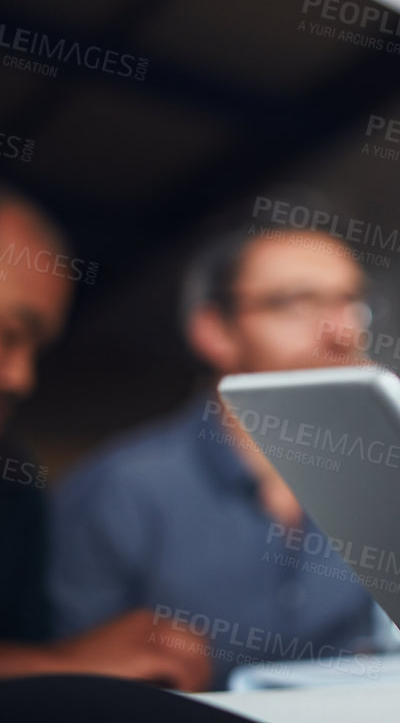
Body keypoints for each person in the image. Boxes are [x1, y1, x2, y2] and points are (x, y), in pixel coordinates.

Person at [46, 215, 378, 689]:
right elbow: (59, 690)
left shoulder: (372, 485)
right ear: (214, 332)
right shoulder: (123, 490)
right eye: (296, 303)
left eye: (350, 301)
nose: (341, 331)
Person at [0, 183, 209, 688]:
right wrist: (60, 667)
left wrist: (70, 659)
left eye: (37, 349)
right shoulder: (122, 483)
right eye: (7, 334)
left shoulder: (14, 484)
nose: (21, 378)